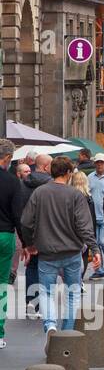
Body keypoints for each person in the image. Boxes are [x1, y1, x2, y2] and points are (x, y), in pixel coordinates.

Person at [20, 157, 100, 333]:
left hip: (47, 252)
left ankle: (50, 325)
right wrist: (94, 249)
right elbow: (84, 226)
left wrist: (30, 244)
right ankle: (68, 332)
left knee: (46, 293)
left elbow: (26, 222)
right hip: (71, 252)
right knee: (73, 294)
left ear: (51, 171)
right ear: (69, 173)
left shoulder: (40, 193)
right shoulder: (76, 195)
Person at [0, 140, 23, 350]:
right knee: (1, 286)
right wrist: (26, 243)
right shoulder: (12, 181)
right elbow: (18, 216)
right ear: (7, 158)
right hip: (4, 236)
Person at [86, 153, 104, 277]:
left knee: (102, 242)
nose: (99, 165)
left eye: (101, 162)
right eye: (97, 162)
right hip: (92, 215)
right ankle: (99, 270)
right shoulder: (90, 177)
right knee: (95, 245)